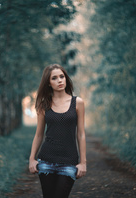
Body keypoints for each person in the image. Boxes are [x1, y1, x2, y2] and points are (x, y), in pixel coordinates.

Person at [29, 64, 87, 198]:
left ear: (66, 78)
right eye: (54, 78)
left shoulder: (77, 103)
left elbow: (81, 134)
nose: (60, 80)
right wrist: (32, 159)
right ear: (48, 83)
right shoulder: (44, 104)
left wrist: (83, 163)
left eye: (62, 76)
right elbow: (38, 135)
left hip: (69, 162)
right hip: (46, 162)